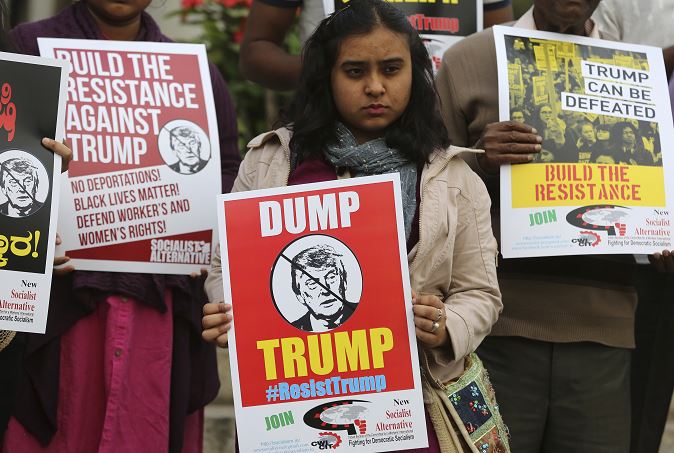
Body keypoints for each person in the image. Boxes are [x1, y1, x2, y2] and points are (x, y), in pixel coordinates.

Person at [203, 1, 506, 451]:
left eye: (391, 69)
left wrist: (446, 324)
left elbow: (480, 293)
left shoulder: (452, 175)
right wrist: (228, 312)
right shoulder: (271, 162)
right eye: (354, 72)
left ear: (415, 73)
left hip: (410, 415)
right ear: (325, 76)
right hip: (291, 414)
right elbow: (224, 267)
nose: (375, 87)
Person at [2, 1, 241, 452]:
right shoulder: (27, 48)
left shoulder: (196, 74)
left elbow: (228, 173)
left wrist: (203, 235)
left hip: (161, 308)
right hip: (55, 306)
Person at [436, 0, 671, 451]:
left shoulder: (636, 75)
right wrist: (479, 160)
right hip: (489, 332)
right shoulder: (469, 59)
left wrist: (662, 233)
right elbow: (424, 186)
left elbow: (659, 189)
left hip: (604, 331)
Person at [239, 0, 514, 90]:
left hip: (448, 142)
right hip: (335, 145)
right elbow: (256, 52)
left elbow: (500, 58)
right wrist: (332, 72)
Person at [288, 245, 357, 332]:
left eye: (331, 277)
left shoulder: (368, 314)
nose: (325, 290)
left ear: (344, 281)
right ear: (299, 295)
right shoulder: (289, 331)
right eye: (312, 283)